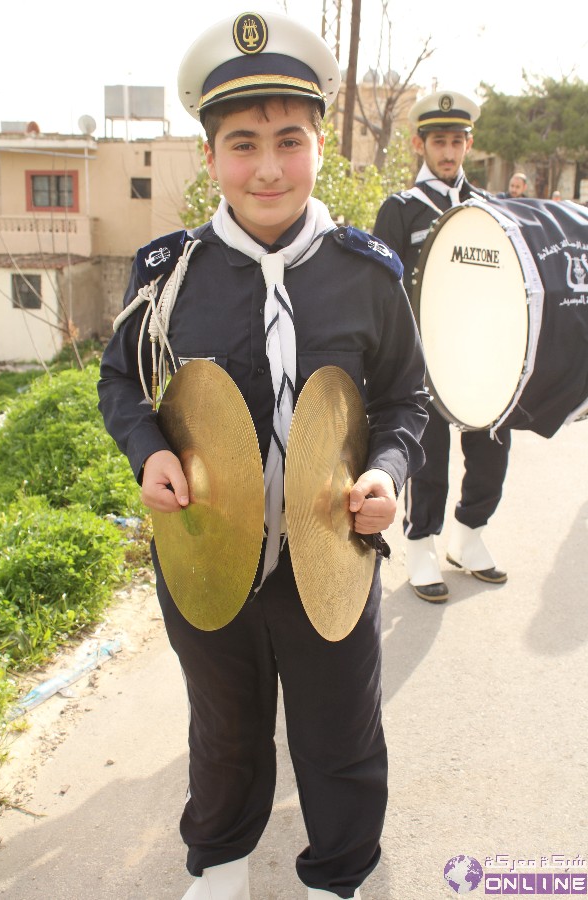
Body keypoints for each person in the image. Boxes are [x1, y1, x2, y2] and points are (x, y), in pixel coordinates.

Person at [98, 11, 429, 900]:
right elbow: (121, 385)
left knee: (341, 731)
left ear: (323, 145)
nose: (269, 167)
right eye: (242, 144)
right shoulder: (167, 275)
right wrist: (147, 453)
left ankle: (338, 874)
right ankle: (222, 861)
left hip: (332, 556)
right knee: (226, 727)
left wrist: (388, 474)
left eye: (290, 139)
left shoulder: (369, 274)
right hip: (208, 554)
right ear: (209, 160)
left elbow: (406, 398)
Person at [373, 90, 510, 603]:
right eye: (438, 141)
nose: (448, 150)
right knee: (426, 458)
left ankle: (469, 535)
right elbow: (382, 290)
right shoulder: (401, 210)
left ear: (469, 144)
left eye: (457, 141)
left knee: (492, 449)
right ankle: (422, 545)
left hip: (481, 356)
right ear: (419, 144)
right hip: (424, 358)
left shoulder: (487, 209)